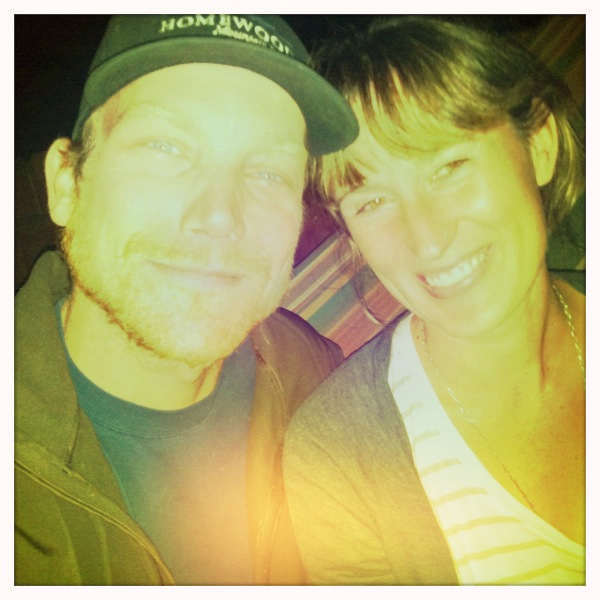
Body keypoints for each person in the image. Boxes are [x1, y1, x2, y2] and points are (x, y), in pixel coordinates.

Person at [14, 14, 359, 585]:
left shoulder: (319, 379)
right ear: (67, 184)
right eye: (166, 147)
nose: (220, 217)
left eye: (268, 172)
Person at [283, 16, 585, 585]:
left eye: (449, 166)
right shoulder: (338, 460)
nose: (426, 240)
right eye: (372, 202)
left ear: (539, 145)